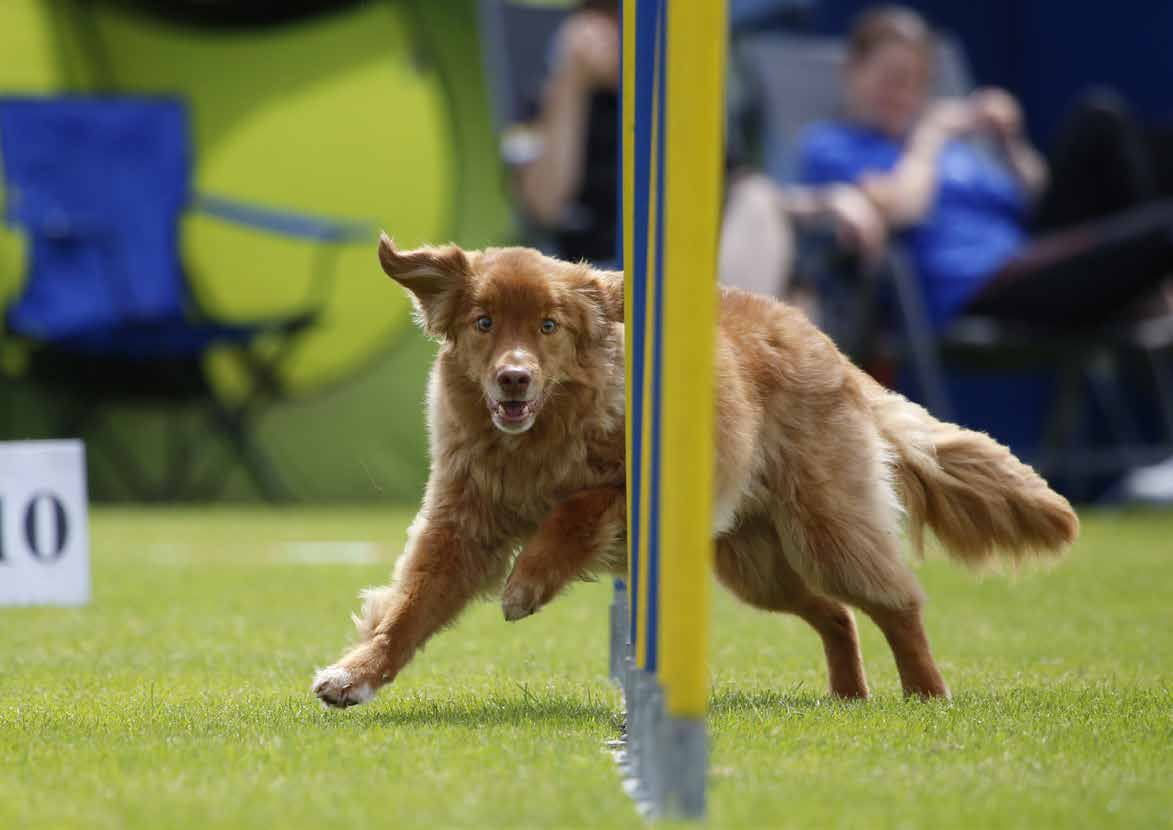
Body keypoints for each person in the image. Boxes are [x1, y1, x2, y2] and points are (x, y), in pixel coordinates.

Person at [797, 5, 1173, 332]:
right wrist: (928, 137)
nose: (903, 94)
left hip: (1032, 254)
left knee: (1100, 118)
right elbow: (905, 210)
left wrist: (1011, 145)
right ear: (853, 71)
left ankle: (1150, 293)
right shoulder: (835, 146)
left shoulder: (954, 151)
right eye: (892, 79)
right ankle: (1154, 293)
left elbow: (1035, 201)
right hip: (981, 285)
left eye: (915, 83)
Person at [510, 0, 887, 299]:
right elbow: (545, 206)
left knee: (758, 203)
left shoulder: (678, 98)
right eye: (609, 15)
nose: (620, 31)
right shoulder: (555, 99)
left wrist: (827, 201)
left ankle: (725, 374)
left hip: (709, 274)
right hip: (613, 273)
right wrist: (572, 83)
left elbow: (740, 189)